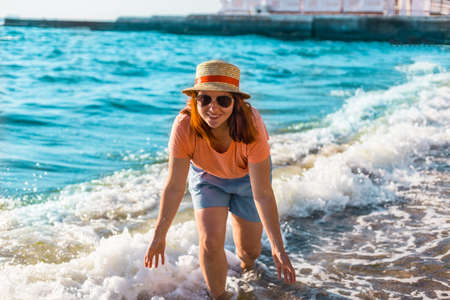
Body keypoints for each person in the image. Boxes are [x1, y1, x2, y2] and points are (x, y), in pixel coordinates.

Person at [144, 60, 296, 299]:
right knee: (210, 242)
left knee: (250, 252)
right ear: (196, 100)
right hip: (207, 179)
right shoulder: (184, 126)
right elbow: (174, 186)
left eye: (222, 100)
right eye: (205, 99)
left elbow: (263, 193)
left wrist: (278, 247)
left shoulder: (252, 125)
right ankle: (219, 295)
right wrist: (159, 234)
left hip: (248, 181)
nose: (212, 108)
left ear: (235, 103)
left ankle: (246, 267)